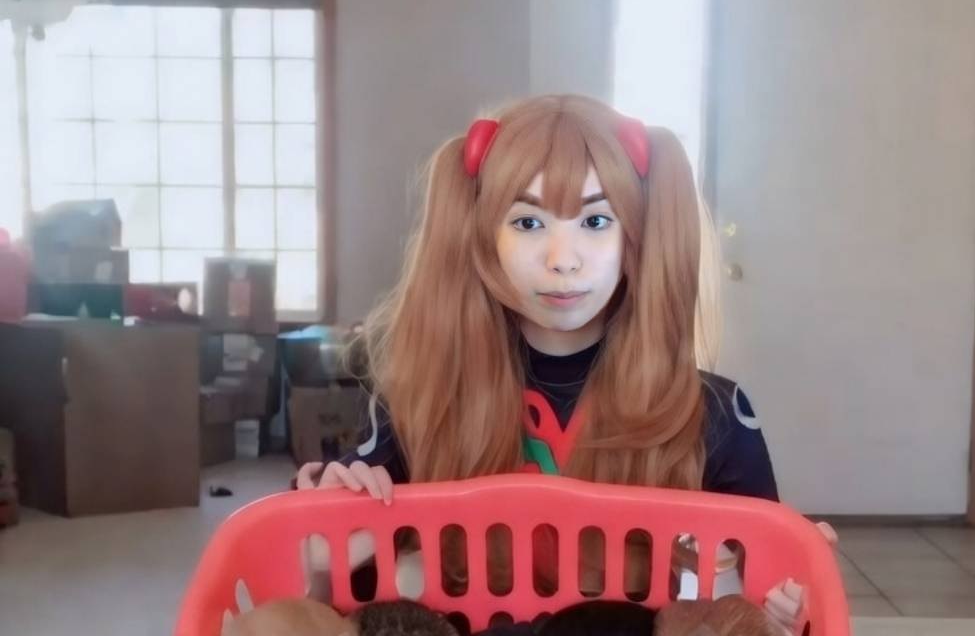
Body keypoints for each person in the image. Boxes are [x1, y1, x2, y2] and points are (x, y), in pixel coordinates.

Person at [297, 93, 777, 509]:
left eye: (595, 221)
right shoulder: (422, 403)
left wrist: (784, 585)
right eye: (528, 223)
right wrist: (327, 515)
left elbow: (763, 572)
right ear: (483, 238)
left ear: (636, 236)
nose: (562, 260)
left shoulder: (716, 414)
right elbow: (332, 562)